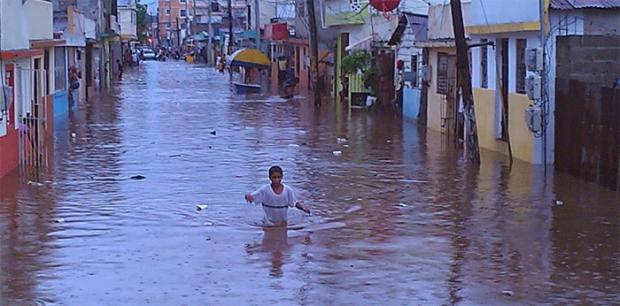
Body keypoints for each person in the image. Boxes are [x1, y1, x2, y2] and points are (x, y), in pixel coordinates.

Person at [244, 166, 310, 227]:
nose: (276, 180)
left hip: (283, 224)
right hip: (268, 224)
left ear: (282, 177)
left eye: (278, 177)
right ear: (270, 177)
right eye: (274, 177)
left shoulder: (288, 190)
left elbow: (294, 202)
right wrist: (248, 196)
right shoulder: (264, 190)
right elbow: (252, 197)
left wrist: (303, 208)